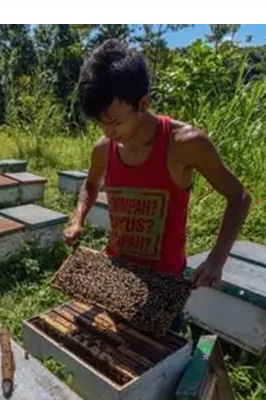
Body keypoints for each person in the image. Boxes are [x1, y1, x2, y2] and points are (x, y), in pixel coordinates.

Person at [63, 39, 251, 289]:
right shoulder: (102, 149)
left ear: (142, 104)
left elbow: (239, 196)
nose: (107, 133)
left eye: (114, 123)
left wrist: (216, 259)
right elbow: (90, 184)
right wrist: (78, 219)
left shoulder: (185, 144)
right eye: (100, 124)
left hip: (165, 279)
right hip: (116, 269)